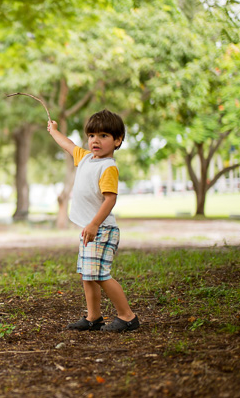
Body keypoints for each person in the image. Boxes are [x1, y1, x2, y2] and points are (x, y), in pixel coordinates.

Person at [46, 109, 139, 332]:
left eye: (104, 136)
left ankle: (128, 316)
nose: (95, 140)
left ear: (118, 141)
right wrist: (54, 131)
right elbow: (67, 145)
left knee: (99, 275)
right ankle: (93, 317)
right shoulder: (86, 158)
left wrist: (95, 224)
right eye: (92, 136)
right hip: (90, 229)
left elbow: (110, 199)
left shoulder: (108, 167)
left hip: (102, 229)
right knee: (87, 274)